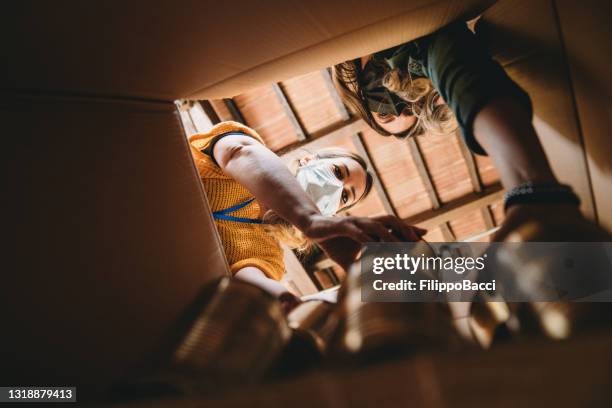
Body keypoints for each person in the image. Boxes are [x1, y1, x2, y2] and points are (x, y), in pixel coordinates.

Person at [333, 21, 590, 241]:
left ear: (360, 99)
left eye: (386, 112)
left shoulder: (340, 37)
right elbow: (448, 62)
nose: (396, 99)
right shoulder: (429, 54)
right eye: (408, 109)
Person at [189, 121, 426, 307]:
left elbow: (249, 279)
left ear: (334, 212)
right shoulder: (245, 145)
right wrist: (309, 219)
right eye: (338, 172)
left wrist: (290, 301)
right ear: (307, 160)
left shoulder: (269, 254)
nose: (337, 188)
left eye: (345, 197)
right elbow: (238, 152)